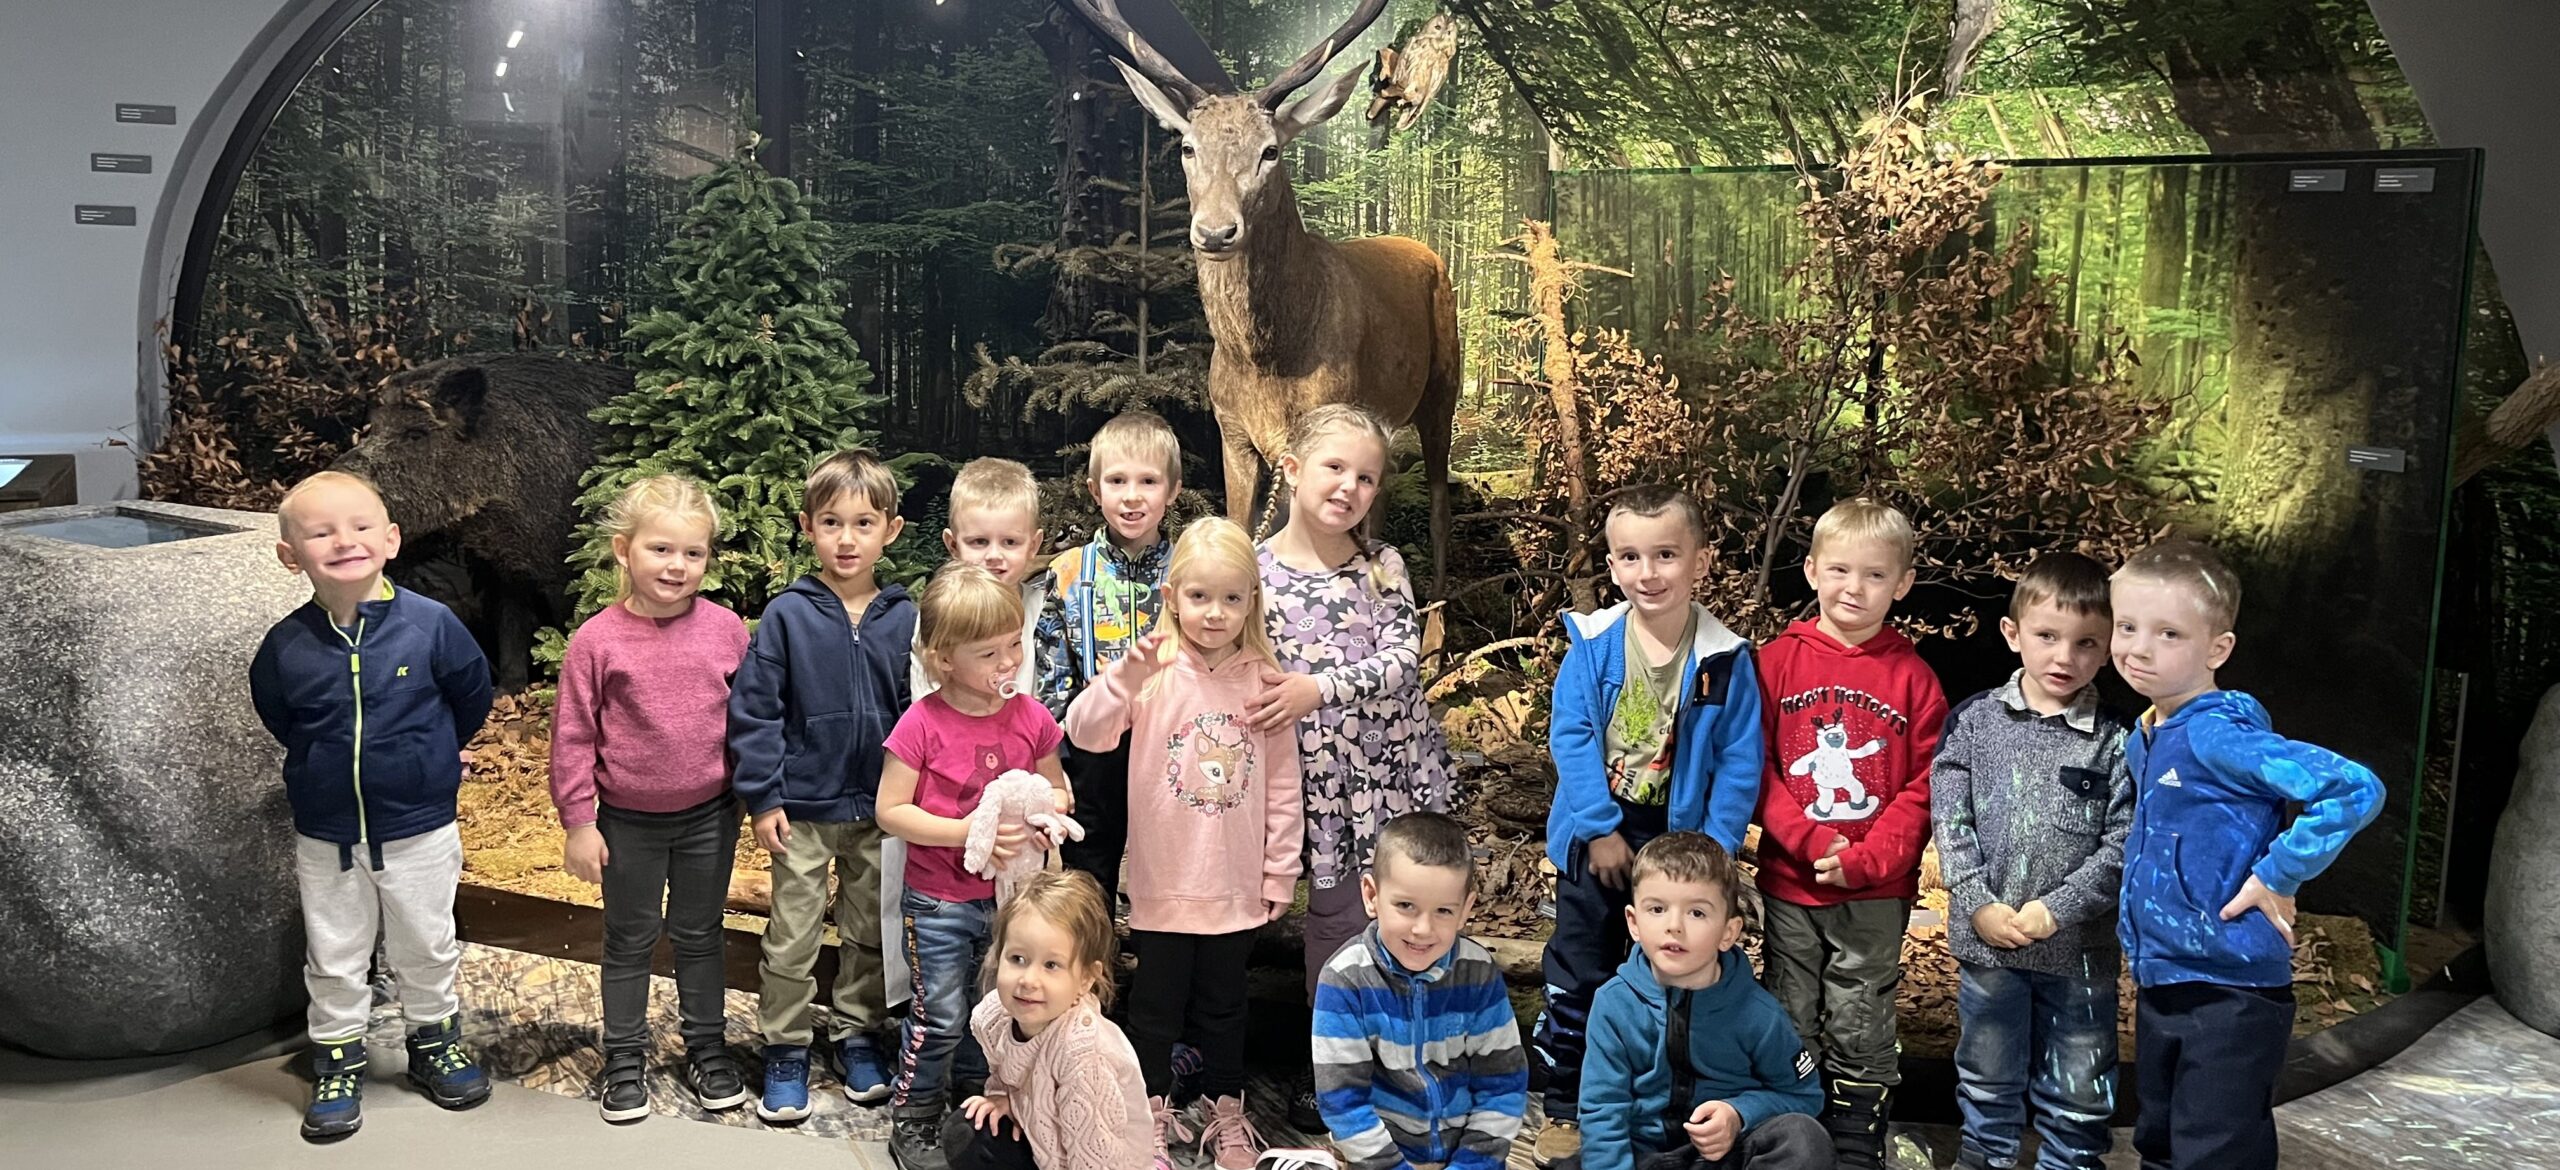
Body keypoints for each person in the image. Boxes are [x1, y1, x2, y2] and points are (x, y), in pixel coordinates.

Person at [2111, 540, 2381, 1170]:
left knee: (2216, 1148)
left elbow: (2354, 787)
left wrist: (2278, 873)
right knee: (2161, 1140)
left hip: (2230, 988)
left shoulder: (2215, 734)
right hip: (2165, 978)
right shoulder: (2146, 735)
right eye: (2127, 627)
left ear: (2218, 649)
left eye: (2169, 633)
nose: (2139, 648)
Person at [249, 469, 494, 1142]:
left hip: (419, 829)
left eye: (360, 527)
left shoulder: (431, 626)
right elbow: (282, 717)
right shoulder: (286, 647)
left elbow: (470, 697)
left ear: (390, 540)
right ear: (290, 555)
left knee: (427, 943)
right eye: (321, 532)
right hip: (328, 836)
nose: (344, 541)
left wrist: (426, 761)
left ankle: (434, 1042)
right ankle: (337, 1061)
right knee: (334, 953)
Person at [1535, 485, 1764, 1169]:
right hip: (1599, 830)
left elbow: (1740, 761)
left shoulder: (1725, 659)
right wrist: (1599, 829)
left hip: (1680, 836)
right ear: (1611, 565)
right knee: (1583, 967)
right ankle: (1567, 1104)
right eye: (1631, 557)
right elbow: (1572, 736)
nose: (1649, 572)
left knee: (1672, 964)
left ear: (1700, 561)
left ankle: (1660, 1107)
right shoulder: (1595, 646)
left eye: (1666, 554)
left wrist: (1712, 852)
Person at [1066, 516, 1303, 1169]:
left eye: (1231, 598)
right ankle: (1149, 1115)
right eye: (1199, 596)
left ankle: (1227, 1111)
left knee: (1226, 1008)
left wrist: (1280, 871)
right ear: (1172, 598)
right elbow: (1084, 733)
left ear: (1252, 601)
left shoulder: (1266, 682)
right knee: (1154, 1011)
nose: (1215, 612)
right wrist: (1121, 679)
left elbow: (1284, 787)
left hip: (1235, 888)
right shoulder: (1152, 670)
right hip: (1163, 885)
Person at [1251, 403, 1454, 1129]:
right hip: (1312, 785)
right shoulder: (1255, 571)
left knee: (1399, 911)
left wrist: (1319, 688)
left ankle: (1402, 1059)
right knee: (1331, 919)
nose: (1349, 487)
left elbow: (1402, 660)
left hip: (1388, 776)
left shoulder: (1381, 566)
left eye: (1366, 477)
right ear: (1292, 469)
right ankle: (1329, 1068)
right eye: (1334, 467)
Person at [549, 475, 753, 1122]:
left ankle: (707, 1049)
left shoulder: (726, 630)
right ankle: (624, 1057)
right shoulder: (597, 640)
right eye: (660, 549)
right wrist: (579, 821)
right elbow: (573, 736)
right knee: (629, 938)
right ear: (623, 549)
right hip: (627, 823)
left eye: (693, 553)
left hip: (710, 818)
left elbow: (751, 720)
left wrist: (756, 796)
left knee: (699, 934)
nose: (677, 566)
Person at [1751, 499, 1946, 1170]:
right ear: (1811, 571)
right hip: (1791, 880)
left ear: (1903, 584)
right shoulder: (1776, 663)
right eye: (1839, 570)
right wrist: (1808, 841)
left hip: (1874, 889)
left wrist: (1867, 859)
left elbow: (1925, 787)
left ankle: (1859, 1132)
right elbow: (1756, 767)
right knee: (1789, 1004)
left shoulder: (1914, 679)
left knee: (1862, 1011)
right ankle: (1793, 1124)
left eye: (1874, 575)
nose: (1853, 589)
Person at [728, 449, 917, 1120]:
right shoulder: (787, 615)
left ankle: (856, 1034)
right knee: (793, 935)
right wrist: (764, 797)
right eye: (832, 522)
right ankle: (785, 1044)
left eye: (864, 523)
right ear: (808, 527)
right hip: (801, 812)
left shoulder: (906, 617)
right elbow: (755, 711)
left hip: (881, 811)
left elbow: (920, 714)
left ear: (891, 530)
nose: (847, 539)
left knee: (869, 932)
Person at [1930, 552, 2133, 1170]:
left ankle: (2071, 1161)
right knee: (1988, 1071)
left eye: (2086, 643)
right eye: (2047, 636)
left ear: (2108, 647)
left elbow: (2123, 842)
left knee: (2081, 1080)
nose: (2064, 656)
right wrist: (1978, 902)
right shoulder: (1974, 723)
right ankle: (1984, 1158)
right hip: (1990, 945)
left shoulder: (2118, 739)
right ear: (2013, 633)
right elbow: (1950, 820)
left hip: (2079, 954)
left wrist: (2057, 909)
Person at [878, 562, 1073, 1170]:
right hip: (938, 899)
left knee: (992, 1007)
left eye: (1014, 644)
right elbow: (891, 811)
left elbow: (1058, 790)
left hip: (1011, 903)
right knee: (940, 1014)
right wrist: (971, 833)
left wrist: (1047, 813)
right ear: (943, 660)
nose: (1008, 662)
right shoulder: (921, 723)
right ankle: (913, 1114)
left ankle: (973, 1101)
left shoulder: (1032, 717)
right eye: (988, 653)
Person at [1579, 833, 1829, 1170]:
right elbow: (1602, 1108)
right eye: (1657, 909)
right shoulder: (1614, 1005)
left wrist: (1739, 1114)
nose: (1674, 926)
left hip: (1726, 1156)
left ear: (1728, 933)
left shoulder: (1758, 1013)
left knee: (1803, 1140)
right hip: (1645, 1157)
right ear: (1634, 923)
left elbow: (1804, 1096)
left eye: (1696, 913)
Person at [1311, 811, 1528, 1170]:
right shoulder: (1345, 980)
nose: (1423, 929)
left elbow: (1502, 1086)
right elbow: (1343, 1102)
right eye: (1406, 906)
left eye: (1443, 910)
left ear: (1465, 910)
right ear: (1371, 895)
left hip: (1468, 1157)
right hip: (1381, 1159)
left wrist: (1470, 1165)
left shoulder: (1477, 973)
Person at [1035, 411, 1180, 915]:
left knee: (1165, 867)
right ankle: (1089, 954)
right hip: (1092, 750)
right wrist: (1053, 759)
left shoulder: (1189, 568)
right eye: (1117, 481)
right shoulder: (1069, 570)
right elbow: (1052, 672)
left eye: (1148, 482)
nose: (1132, 496)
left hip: (1170, 746)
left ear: (1173, 490)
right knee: (1088, 870)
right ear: (1095, 490)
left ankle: (1158, 954)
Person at [943, 869, 1172, 1170]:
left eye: (1051, 965)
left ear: (1086, 978)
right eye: (1017, 959)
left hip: (1098, 1161)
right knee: (968, 1130)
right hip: (1045, 1135)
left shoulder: (1083, 1055)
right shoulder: (997, 1016)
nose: (1028, 980)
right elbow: (1007, 1075)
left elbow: (1096, 1161)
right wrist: (1005, 1100)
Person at [921, 457, 1053, 701]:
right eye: (979, 542)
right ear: (953, 545)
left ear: (1033, 545)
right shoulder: (939, 616)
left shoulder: (1047, 609)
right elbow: (927, 705)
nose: (994, 556)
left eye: (1010, 542)